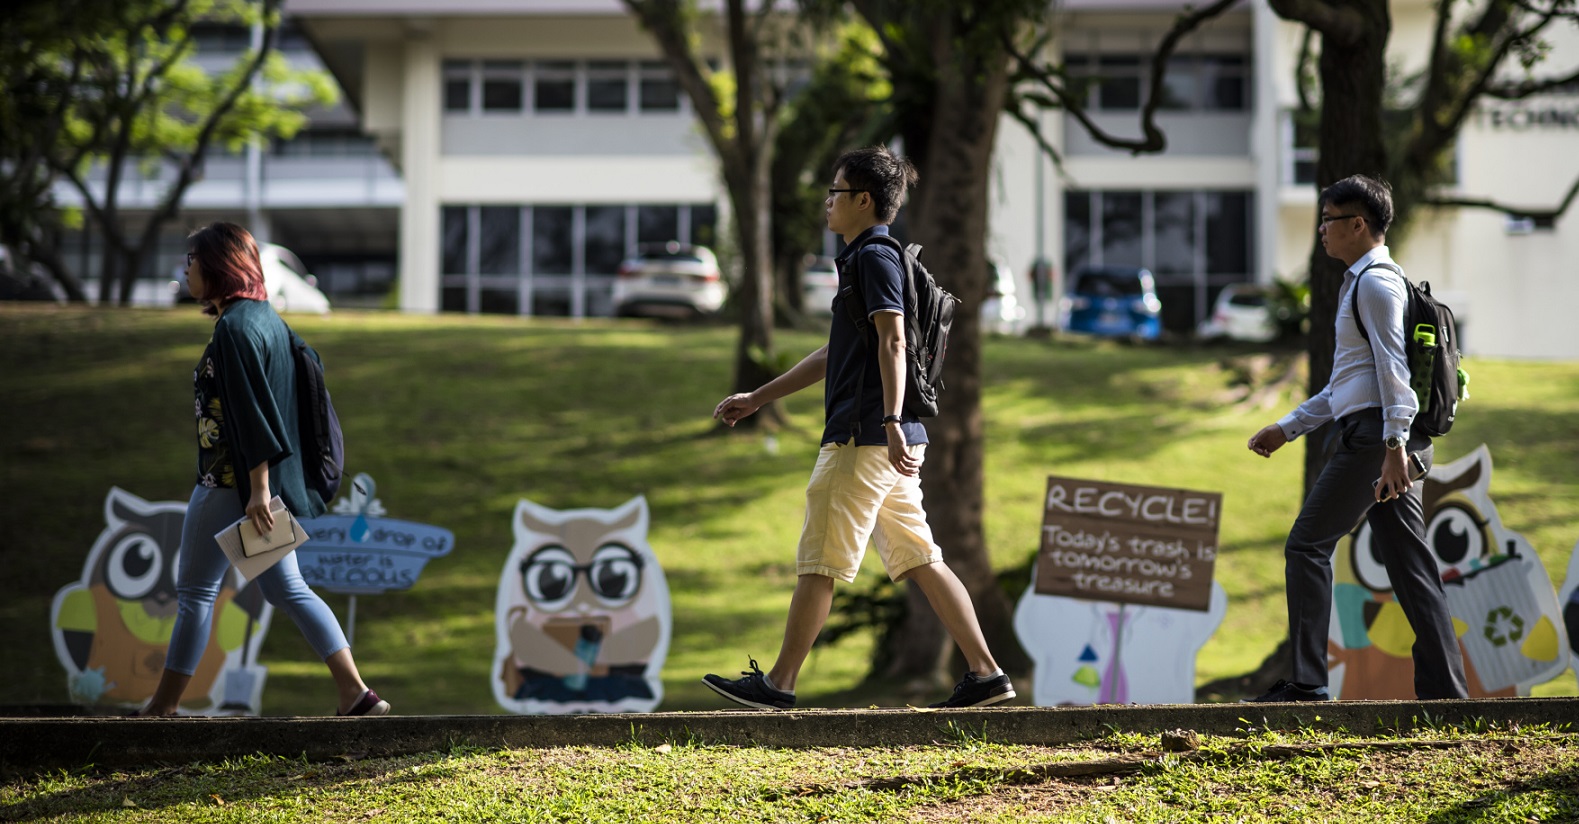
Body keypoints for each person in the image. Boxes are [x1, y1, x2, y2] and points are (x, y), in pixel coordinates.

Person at [702, 146, 1015, 710]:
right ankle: (986, 673)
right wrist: (758, 397)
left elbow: (894, 338)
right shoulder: (868, 261)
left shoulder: (873, 258)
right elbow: (836, 351)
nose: (828, 203)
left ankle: (779, 684)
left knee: (820, 559)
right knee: (921, 556)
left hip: (865, 435)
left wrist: (892, 418)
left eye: (836, 192)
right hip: (888, 437)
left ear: (863, 200)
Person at [136, 222, 389, 717]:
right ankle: (356, 693)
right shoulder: (268, 319)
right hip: (256, 487)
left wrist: (257, 490)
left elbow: (253, 414)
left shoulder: (233, 329)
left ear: (216, 266)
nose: (186, 270)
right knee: (286, 589)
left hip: (230, 485)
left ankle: (161, 710)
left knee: (193, 593)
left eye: (192, 260)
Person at [1246, 175, 1468, 703]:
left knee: (1306, 545)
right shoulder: (1364, 281)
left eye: (1328, 220)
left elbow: (1392, 371)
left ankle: (1305, 683)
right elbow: (1348, 384)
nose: (1321, 230)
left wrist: (1392, 450)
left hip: (1377, 441)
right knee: (1412, 569)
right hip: (1383, 436)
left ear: (1358, 225)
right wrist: (1288, 428)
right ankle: (1449, 696)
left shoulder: (1374, 284)